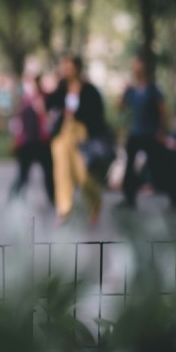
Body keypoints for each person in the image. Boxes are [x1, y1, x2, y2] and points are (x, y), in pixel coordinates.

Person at [46, 55, 107, 225]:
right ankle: (64, 209)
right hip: (62, 136)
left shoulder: (89, 90)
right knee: (61, 171)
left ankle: (95, 203)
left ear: (77, 69)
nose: (66, 71)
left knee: (83, 175)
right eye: (64, 67)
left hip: (81, 137)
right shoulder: (61, 88)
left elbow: (97, 115)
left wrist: (77, 116)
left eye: (69, 67)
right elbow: (49, 105)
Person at [116, 54, 176, 209]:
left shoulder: (152, 89)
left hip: (151, 134)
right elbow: (119, 107)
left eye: (138, 66)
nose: (135, 69)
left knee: (158, 165)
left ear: (144, 68)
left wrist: (162, 132)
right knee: (130, 166)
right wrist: (123, 92)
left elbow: (163, 111)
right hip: (136, 133)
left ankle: (174, 196)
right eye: (134, 66)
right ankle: (129, 198)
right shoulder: (131, 90)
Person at [9, 75, 54, 204]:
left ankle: (53, 200)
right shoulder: (25, 101)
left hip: (42, 143)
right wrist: (17, 142)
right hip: (27, 144)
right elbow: (18, 124)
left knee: (48, 174)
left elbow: (49, 121)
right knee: (23, 176)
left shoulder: (46, 100)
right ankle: (14, 200)